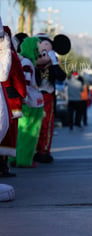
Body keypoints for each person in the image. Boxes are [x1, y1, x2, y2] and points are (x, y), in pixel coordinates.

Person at [34, 35, 67, 163]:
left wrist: (54, 63)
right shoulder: (31, 65)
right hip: (33, 97)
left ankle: (44, 151)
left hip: (47, 97)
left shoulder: (52, 67)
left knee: (46, 124)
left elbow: (61, 77)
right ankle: (32, 150)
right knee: (33, 124)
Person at [12, 37, 44, 167]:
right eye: (37, 49)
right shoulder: (27, 63)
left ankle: (15, 158)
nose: (39, 53)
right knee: (29, 134)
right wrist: (24, 100)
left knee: (20, 133)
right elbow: (25, 84)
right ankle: (24, 160)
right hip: (31, 104)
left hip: (27, 103)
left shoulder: (24, 62)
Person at [0, 26, 26, 177]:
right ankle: (3, 165)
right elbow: (19, 81)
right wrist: (23, 95)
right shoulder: (11, 56)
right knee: (8, 134)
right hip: (11, 101)